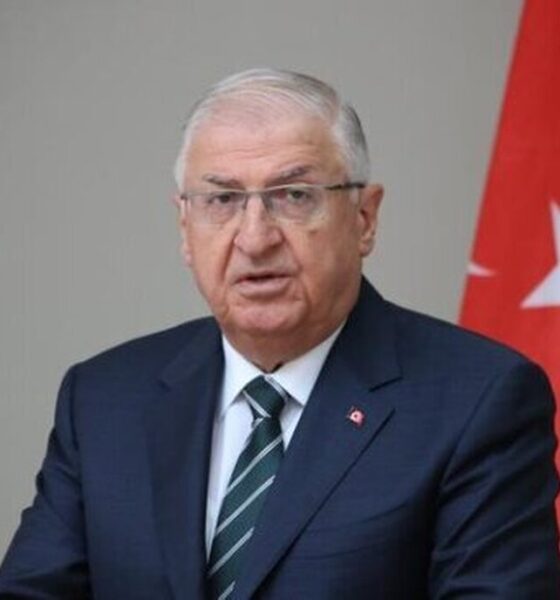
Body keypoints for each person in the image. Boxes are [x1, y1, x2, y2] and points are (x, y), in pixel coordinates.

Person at [0, 68, 558, 599]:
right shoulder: (103, 399)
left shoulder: (479, 402)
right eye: (222, 200)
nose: (255, 238)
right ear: (185, 228)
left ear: (364, 218)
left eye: (294, 195)